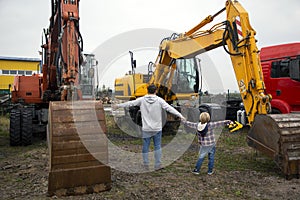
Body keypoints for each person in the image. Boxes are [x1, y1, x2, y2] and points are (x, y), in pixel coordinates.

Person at [112, 84, 185, 170]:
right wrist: (180, 116)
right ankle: (158, 164)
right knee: (157, 146)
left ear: (147, 90)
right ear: (156, 91)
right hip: (157, 128)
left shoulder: (142, 100)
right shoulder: (159, 100)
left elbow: (130, 103)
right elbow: (169, 108)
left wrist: (118, 106)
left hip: (146, 128)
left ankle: (145, 163)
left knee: (145, 146)